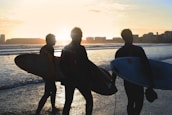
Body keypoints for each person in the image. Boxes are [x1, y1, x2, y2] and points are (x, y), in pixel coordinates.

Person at [113, 29, 157, 115]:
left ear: (123, 38)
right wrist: (151, 81)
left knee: (130, 101)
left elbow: (115, 69)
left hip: (128, 82)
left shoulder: (119, 52)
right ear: (131, 37)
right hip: (138, 81)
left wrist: (112, 82)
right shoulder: (138, 50)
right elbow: (146, 66)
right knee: (139, 102)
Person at [60, 27, 93, 115]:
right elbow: (86, 65)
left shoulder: (65, 48)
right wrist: (90, 79)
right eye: (80, 36)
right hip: (80, 79)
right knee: (89, 100)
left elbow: (62, 65)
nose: (81, 38)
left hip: (69, 80)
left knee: (68, 102)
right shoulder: (81, 49)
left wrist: (65, 78)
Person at [35, 34, 57, 115]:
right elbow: (49, 62)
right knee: (48, 93)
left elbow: (43, 62)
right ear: (50, 40)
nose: (55, 41)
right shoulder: (48, 49)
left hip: (47, 73)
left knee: (52, 91)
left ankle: (53, 107)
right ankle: (38, 111)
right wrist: (51, 73)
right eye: (54, 39)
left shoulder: (45, 48)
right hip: (49, 74)